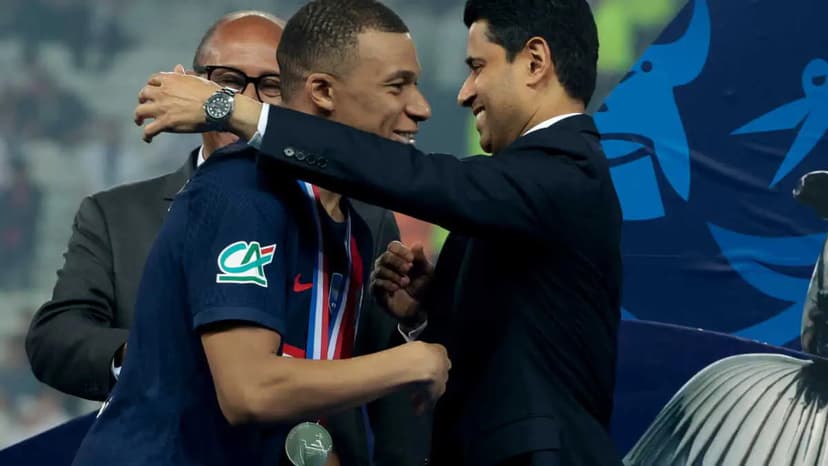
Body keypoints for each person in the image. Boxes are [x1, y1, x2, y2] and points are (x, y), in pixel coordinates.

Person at [135, 0, 623, 464]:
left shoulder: (567, 170)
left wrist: (231, 108)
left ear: (535, 62)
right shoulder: (242, 192)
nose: (461, 94)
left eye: (478, 67)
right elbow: (518, 345)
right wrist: (429, 313)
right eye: (397, 86)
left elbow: (417, 177)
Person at [28, 10, 426, 466]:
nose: (247, 101)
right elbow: (55, 337)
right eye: (229, 82)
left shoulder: (364, 219)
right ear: (192, 86)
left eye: (271, 85)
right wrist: (156, 354)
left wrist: (413, 326)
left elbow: (377, 361)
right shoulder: (119, 213)